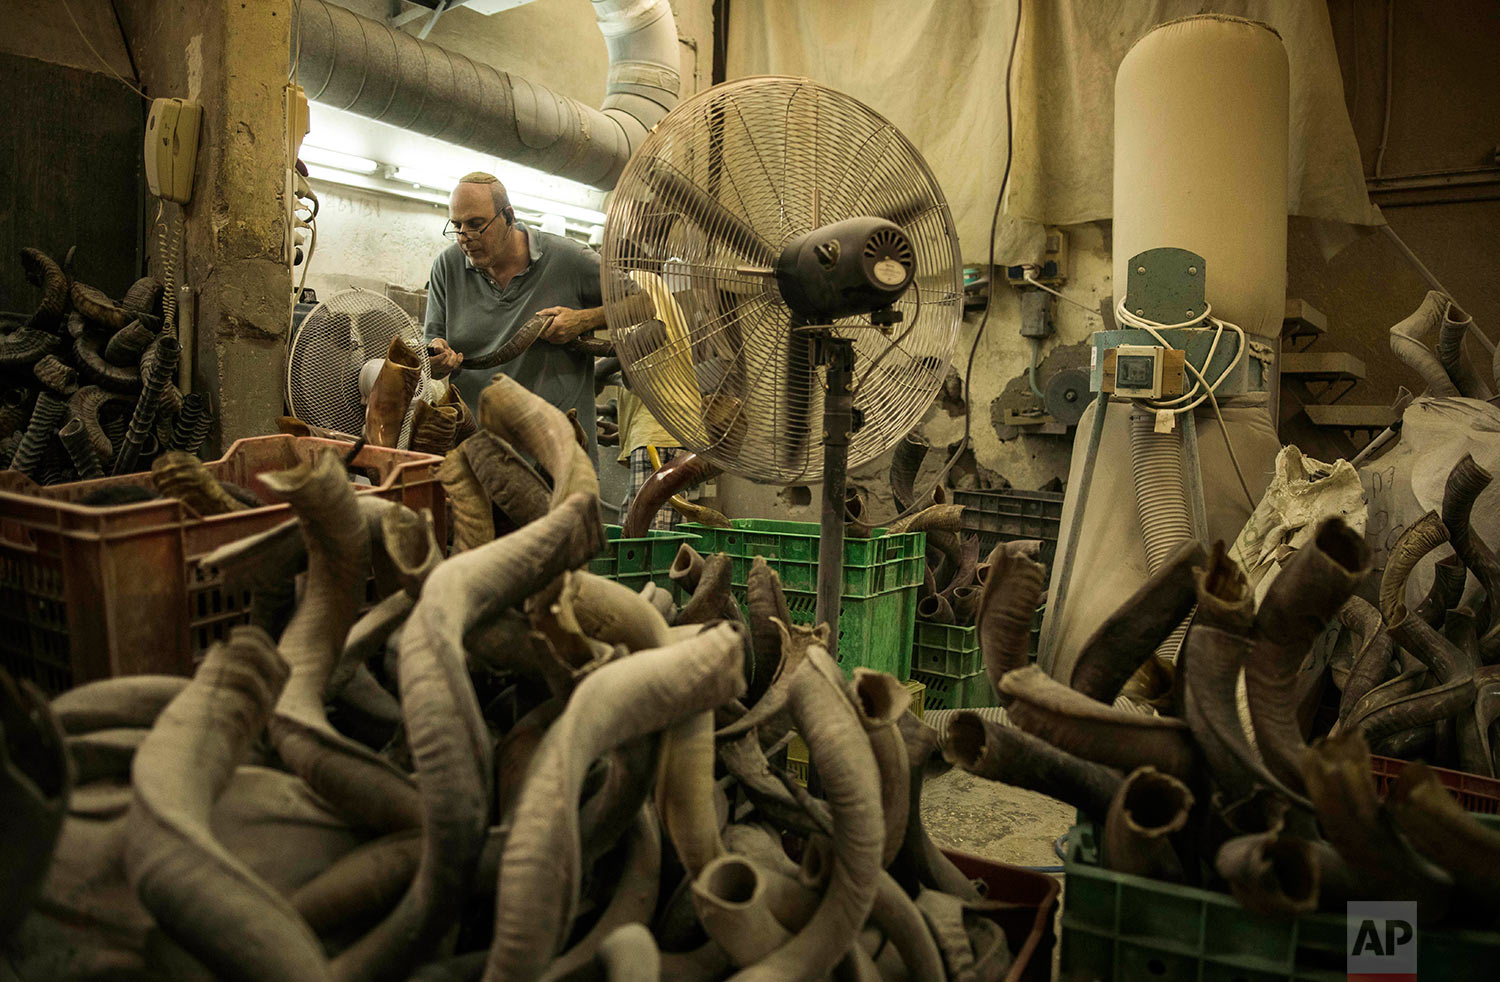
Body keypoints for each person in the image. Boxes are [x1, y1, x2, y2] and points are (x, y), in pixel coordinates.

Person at [424, 172, 605, 456]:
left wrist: (584, 319)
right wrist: (436, 357)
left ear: (508, 215)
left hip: (559, 461)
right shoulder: (447, 267)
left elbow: (643, 301)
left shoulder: (569, 260)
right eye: (456, 225)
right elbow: (432, 347)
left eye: (476, 225)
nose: (464, 238)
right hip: (480, 456)